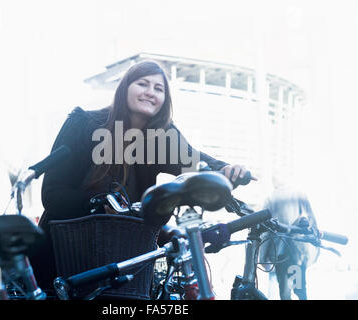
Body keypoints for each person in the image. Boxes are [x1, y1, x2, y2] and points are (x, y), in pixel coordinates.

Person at [29, 60, 256, 295]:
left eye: (159, 89)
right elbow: (52, 194)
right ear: (125, 88)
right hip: (63, 259)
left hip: (122, 264)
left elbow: (196, 162)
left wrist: (228, 171)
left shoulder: (162, 137)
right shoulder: (84, 124)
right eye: (142, 84)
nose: (150, 92)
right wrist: (97, 204)